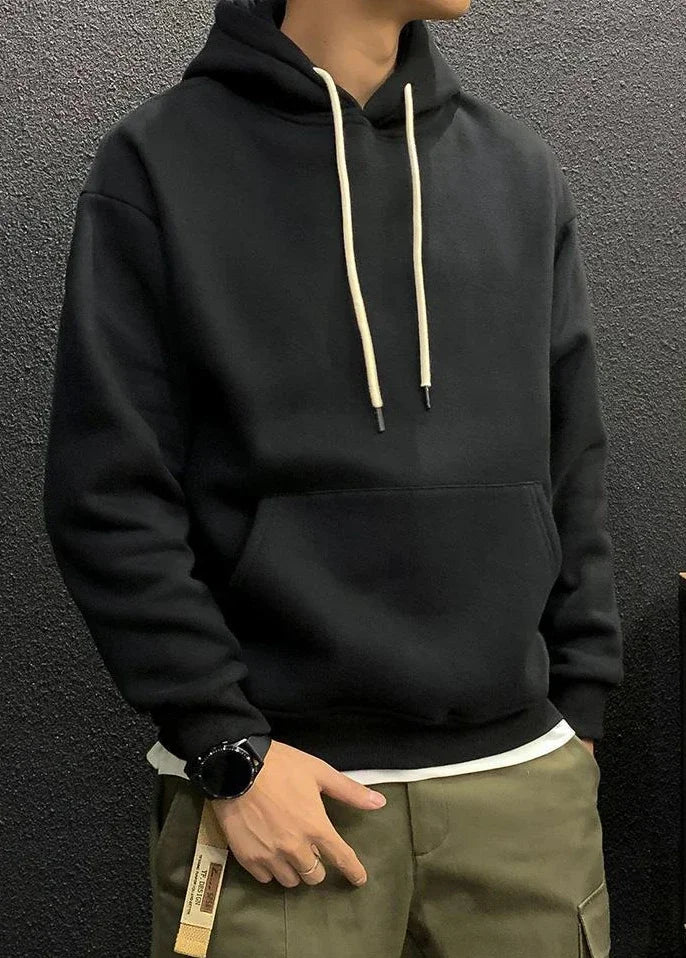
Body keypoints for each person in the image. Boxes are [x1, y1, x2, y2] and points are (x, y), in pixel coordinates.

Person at [43, 0, 624, 955]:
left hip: (522, 788)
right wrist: (225, 747)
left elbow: (574, 463)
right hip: (278, 802)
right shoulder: (160, 163)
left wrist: (580, 717)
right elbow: (107, 489)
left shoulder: (517, 169)